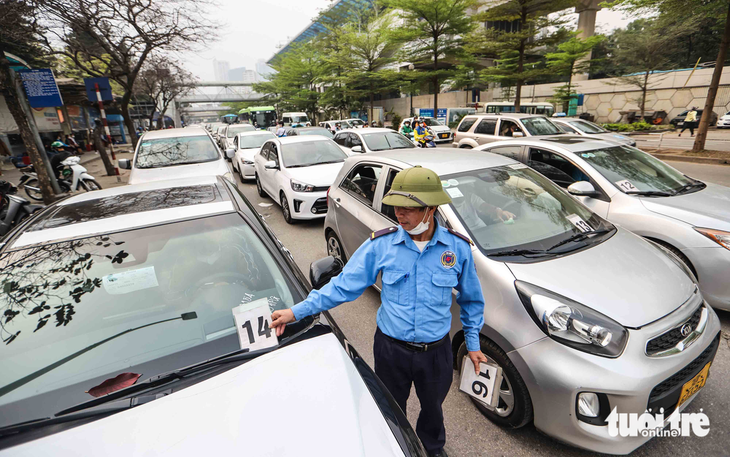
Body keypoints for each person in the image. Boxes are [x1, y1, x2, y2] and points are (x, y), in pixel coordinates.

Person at [271, 166, 487, 457]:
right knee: (388, 408)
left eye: (409, 208)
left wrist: (472, 344)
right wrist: (297, 312)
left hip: (436, 353)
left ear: (431, 209)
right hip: (391, 351)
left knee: (433, 410)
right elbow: (344, 286)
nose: (399, 214)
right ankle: (393, 447)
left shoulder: (457, 249)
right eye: (396, 205)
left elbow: (472, 300)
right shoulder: (381, 245)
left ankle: (432, 449)